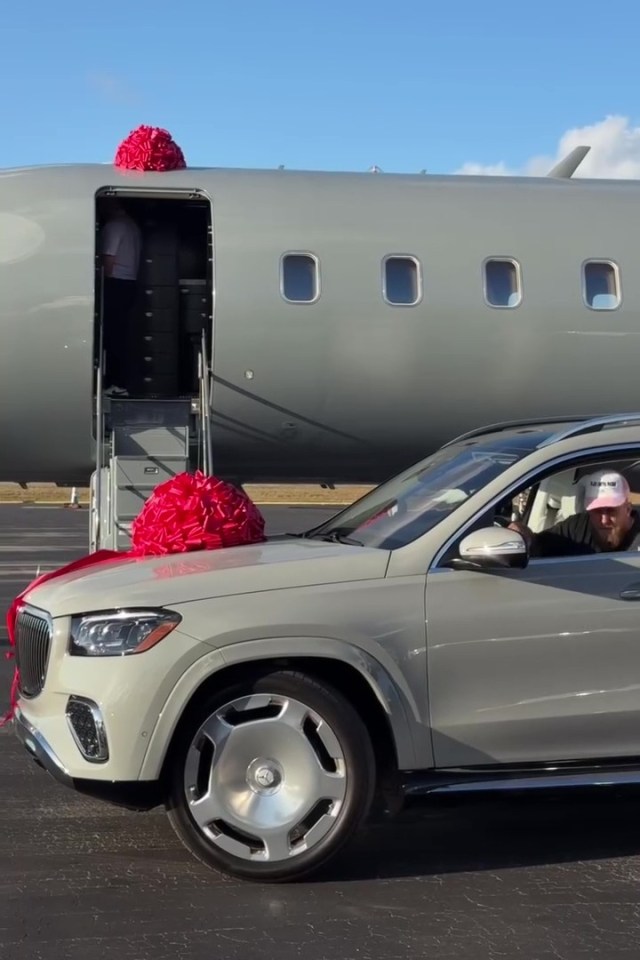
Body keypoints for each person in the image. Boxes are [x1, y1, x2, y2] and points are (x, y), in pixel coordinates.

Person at [509, 470, 640, 557]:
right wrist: (521, 533)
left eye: (611, 510)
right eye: (597, 511)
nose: (604, 520)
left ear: (627, 508)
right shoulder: (578, 526)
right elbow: (538, 545)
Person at [99, 200, 141, 397]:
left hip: (115, 283)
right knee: (121, 335)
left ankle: (116, 383)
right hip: (130, 283)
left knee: (111, 337)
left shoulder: (114, 226)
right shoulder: (132, 225)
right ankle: (121, 381)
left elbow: (108, 260)